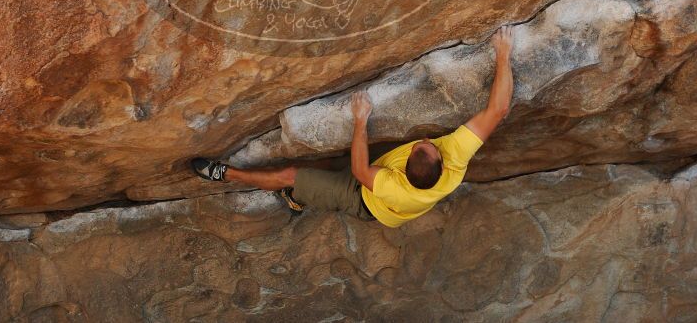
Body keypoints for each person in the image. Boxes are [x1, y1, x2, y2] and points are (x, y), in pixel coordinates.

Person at [191, 26, 515, 228]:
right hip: (374, 181)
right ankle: (302, 195)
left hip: (363, 199)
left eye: (422, 145)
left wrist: (360, 120)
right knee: (322, 166)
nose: (428, 139)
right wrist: (503, 54)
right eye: (427, 144)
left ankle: (227, 174)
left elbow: (361, 172)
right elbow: (498, 109)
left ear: (401, 173)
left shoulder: (392, 186)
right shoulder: (455, 158)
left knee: (291, 175)